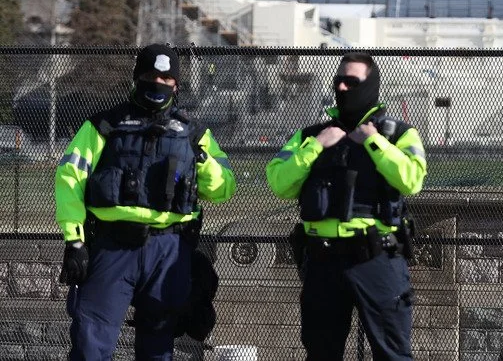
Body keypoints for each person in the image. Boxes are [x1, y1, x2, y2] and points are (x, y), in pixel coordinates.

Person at [54, 43, 236, 360]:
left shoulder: (194, 134)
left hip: (168, 252)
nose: (158, 84)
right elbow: (70, 178)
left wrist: (201, 159)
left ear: (177, 85)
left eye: (167, 79)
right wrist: (74, 241)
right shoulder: (103, 126)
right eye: (151, 76)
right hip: (112, 247)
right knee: (90, 343)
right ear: (137, 78)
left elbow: (224, 189)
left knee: (158, 346)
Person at [266, 51, 427, 360]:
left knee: (392, 353)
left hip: (377, 260)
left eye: (351, 82)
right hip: (322, 263)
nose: (342, 88)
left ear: (370, 86)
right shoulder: (310, 136)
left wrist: (374, 142)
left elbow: (412, 180)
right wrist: (316, 147)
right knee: (321, 352)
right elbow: (278, 183)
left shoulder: (399, 134)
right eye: (339, 82)